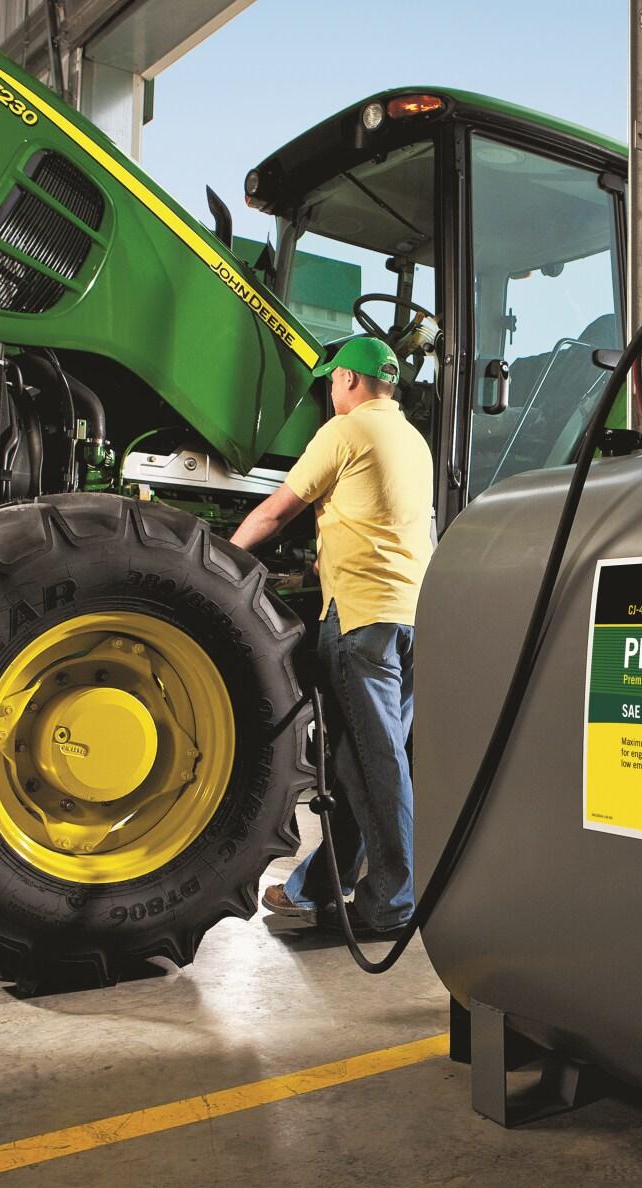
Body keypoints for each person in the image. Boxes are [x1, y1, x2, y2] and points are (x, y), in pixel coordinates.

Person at [229, 336, 434, 935]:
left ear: (347, 379)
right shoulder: (411, 441)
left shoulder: (345, 433)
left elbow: (276, 511)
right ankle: (320, 887)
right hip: (413, 618)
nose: (328, 394)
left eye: (330, 384)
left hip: (362, 621)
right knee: (355, 762)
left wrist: (213, 563)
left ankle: (394, 903)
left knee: (377, 765)